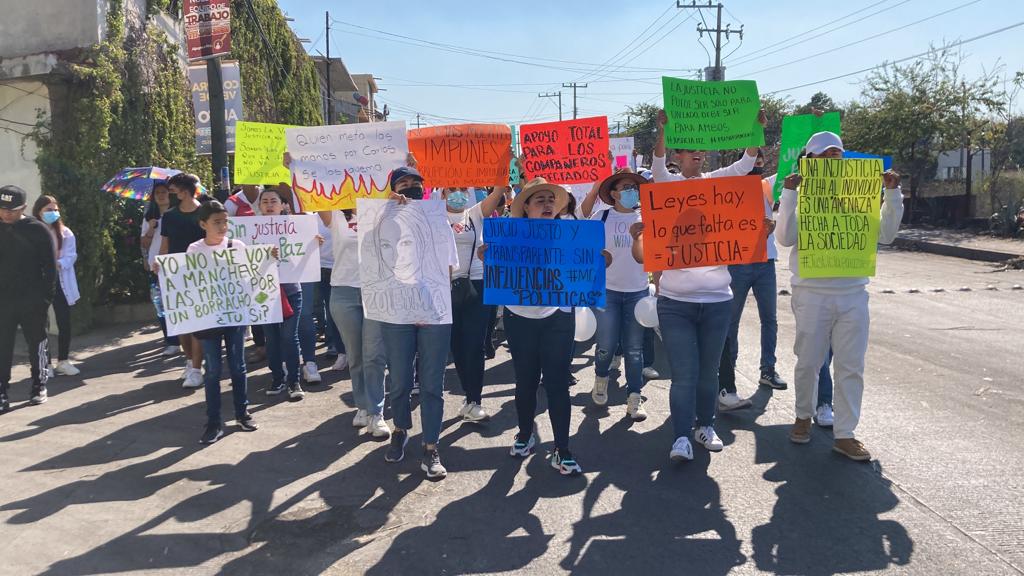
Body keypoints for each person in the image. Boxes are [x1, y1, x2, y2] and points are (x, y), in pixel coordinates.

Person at [631, 107, 766, 462]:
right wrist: (662, 130)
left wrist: (754, 130)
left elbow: (746, 164)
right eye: (689, 148)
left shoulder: (717, 183)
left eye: (701, 149)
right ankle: (680, 438)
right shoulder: (668, 185)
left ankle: (705, 425)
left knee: (708, 372)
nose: (697, 153)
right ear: (679, 155)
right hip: (675, 300)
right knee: (685, 374)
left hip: (718, 299)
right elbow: (657, 166)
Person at [775, 131, 904, 461]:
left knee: (851, 365)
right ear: (810, 161)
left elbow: (887, 236)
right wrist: (789, 195)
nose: (833, 159)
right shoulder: (802, 195)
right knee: (808, 362)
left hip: (853, 294)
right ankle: (803, 417)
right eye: (824, 154)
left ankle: (845, 434)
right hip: (811, 293)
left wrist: (893, 194)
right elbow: (786, 238)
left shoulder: (860, 193)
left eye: (837, 153)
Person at [481, 177, 583, 476]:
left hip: (558, 317)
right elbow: (497, 272)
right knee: (525, 381)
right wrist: (488, 257)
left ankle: (562, 450)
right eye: (540, 200)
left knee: (557, 385)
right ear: (525, 207)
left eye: (551, 200)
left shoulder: (569, 234)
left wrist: (596, 262)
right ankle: (525, 435)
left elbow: (582, 267)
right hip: (518, 318)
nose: (548, 204)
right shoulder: (508, 236)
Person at [376, 166, 459, 480]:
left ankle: (431, 446)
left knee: (432, 384)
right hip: (396, 310)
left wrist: (437, 305)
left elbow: (448, 268)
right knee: (398, 379)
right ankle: (400, 428)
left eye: (415, 184)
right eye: (403, 184)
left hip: (433, 311)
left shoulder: (438, 220)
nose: (410, 188)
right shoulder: (380, 220)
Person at [718, 152, 785, 412]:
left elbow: (796, 167)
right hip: (737, 263)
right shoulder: (727, 188)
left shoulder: (769, 185)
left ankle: (768, 369)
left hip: (765, 262)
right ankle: (727, 375)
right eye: (752, 160)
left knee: (770, 319)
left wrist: (810, 130)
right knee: (730, 321)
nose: (756, 165)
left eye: (759, 161)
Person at [186, 201, 258, 444]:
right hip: (209, 319)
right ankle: (214, 422)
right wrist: (162, 270)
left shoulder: (237, 246)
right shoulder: (194, 250)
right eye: (217, 222)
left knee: (238, 366)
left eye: (225, 221)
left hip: (235, 316)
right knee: (213, 370)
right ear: (203, 224)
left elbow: (251, 274)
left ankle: (242, 413)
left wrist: (268, 258)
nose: (223, 226)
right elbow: (185, 278)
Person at [586, 170, 650, 421]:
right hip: (607, 292)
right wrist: (597, 258)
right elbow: (583, 249)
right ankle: (601, 377)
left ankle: (634, 397)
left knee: (635, 349)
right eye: (625, 187)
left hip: (638, 291)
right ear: (613, 194)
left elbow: (652, 256)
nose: (631, 191)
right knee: (605, 345)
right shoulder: (600, 217)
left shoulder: (647, 218)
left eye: (634, 187)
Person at [441, 185, 506, 422]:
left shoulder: (475, 212)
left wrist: (503, 167)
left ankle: (474, 400)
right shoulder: (433, 215)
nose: (457, 194)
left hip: (476, 283)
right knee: (457, 345)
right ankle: (468, 396)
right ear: (442, 194)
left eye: (461, 189)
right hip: (444, 287)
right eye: (451, 189)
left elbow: (498, 193)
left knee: (475, 345)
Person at [0, 185, 56, 411]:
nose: (6, 214)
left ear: (23, 207)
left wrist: (45, 299)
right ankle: (2, 390)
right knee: (2, 346)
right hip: (3, 300)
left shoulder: (37, 229)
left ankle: (39, 384)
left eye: (11, 210)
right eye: (2, 209)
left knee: (37, 343)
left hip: (32, 300)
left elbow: (50, 268)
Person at [159, 173, 207, 389]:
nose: (171, 195)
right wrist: (159, 266)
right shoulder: (169, 217)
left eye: (174, 191)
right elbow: (165, 246)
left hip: (202, 274)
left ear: (184, 191)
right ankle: (190, 361)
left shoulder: (205, 213)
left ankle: (197, 368)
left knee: (198, 324)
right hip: (176, 275)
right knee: (182, 324)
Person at [257, 187, 305, 401]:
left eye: (273, 200)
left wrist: (314, 245)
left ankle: (294, 380)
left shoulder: (294, 227)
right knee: (272, 338)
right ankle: (277, 377)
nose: (269, 204)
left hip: (291, 290)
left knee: (289, 336)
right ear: (259, 206)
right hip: (264, 292)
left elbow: (304, 250)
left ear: (282, 204)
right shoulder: (250, 229)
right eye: (264, 201)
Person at [32, 195, 81, 376]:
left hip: (60, 281)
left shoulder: (65, 232)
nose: (53, 213)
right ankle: (45, 363)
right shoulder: (33, 231)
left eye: (55, 209)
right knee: (41, 323)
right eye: (48, 210)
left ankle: (63, 360)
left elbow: (71, 256)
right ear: (38, 212)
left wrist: (56, 264)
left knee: (64, 322)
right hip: (39, 283)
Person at [141, 183, 180, 357]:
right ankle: (171, 341)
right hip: (156, 266)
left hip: (175, 264)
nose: (161, 195)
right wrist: (151, 228)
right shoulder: (149, 218)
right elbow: (144, 243)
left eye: (164, 192)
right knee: (162, 305)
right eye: (157, 193)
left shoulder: (177, 214)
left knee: (178, 303)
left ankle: (184, 337)